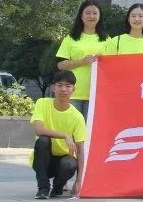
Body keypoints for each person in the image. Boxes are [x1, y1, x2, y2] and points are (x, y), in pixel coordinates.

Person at [30, 70, 86, 199]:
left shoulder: (77, 117)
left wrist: (79, 181)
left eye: (68, 86)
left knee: (70, 164)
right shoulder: (42, 103)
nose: (63, 89)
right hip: (43, 161)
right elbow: (38, 130)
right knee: (43, 140)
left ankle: (58, 187)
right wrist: (65, 135)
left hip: (64, 162)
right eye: (59, 85)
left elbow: (80, 150)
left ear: (73, 89)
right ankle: (43, 189)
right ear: (53, 88)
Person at [55, 0, 109, 117]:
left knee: (90, 128)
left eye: (95, 13)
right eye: (88, 13)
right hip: (73, 93)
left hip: (97, 94)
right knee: (71, 127)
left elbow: (113, 66)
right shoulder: (71, 38)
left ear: (100, 16)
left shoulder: (107, 39)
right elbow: (60, 65)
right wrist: (82, 61)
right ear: (81, 16)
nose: (91, 16)